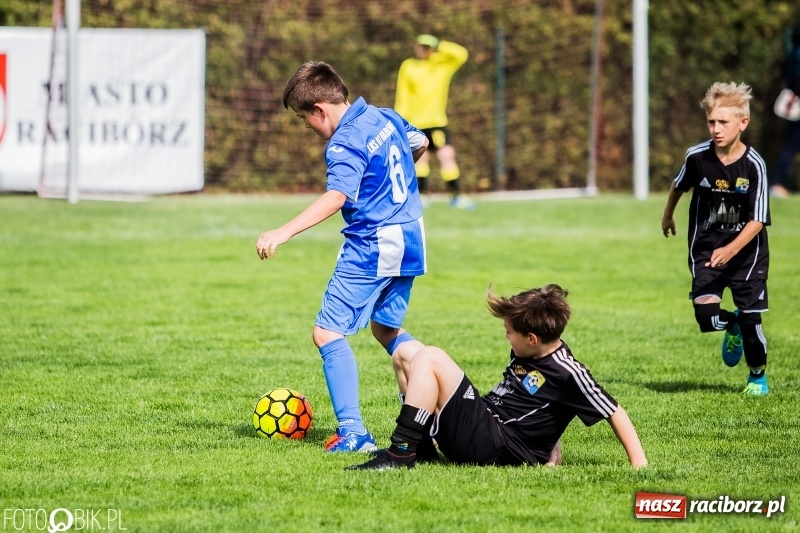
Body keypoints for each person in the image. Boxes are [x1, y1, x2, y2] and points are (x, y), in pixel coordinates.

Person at [256, 61, 430, 452]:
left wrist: (282, 232)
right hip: (411, 237)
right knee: (386, 330)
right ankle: (428, 417)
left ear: (320, 108)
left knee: (327, 332)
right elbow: (421, 143)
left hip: (372, 243)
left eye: (305, 120)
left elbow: (336, 197)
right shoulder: (383, 116)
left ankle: (354, 433)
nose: (310, 130)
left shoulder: (343, 142)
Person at [347, 284, 648, 470]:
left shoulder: (569, 372)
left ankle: (400, 453)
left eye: (509, 332)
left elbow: (614, 411)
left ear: (532, 338)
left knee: (430, 356)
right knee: (406, 354)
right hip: (485, 424)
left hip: (494, 443)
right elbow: (547, 411)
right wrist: (550, 444)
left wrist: (639, 465)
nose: (506, 337)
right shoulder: (530, 350)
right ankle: (421, 449)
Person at [661, 82, 771, 396]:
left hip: (747, 256)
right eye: (712, 122)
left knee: (753, 321)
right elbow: (679, 185)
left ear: (743, 123)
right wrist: (667, 215)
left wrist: (732, 248)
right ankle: (730, 324)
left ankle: (757, 377)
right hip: (706, 251)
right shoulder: (697, 157)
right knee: (707, 318)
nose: (716, 129)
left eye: (723, 122)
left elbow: (758, 220)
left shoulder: (754, 165)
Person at [394, 34, 474, 209]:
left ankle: (456, 196)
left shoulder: (442, 64)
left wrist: (440, 45)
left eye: (427, 46)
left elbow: (461, 54)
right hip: (415, 122)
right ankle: (422, 196)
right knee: (421, 161)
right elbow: (403, 96)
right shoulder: (409, 66)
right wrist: (399, 120)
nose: (424, 49)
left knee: (447, 156)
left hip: (437, 122)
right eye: (421, 46)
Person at [771, 23, 800, 198]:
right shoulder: (797, 56)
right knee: (790, 147)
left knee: (789, 145)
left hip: (793, 108)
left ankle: (778, 182)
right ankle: (777, 183)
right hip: (797, 109)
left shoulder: (791, 54)